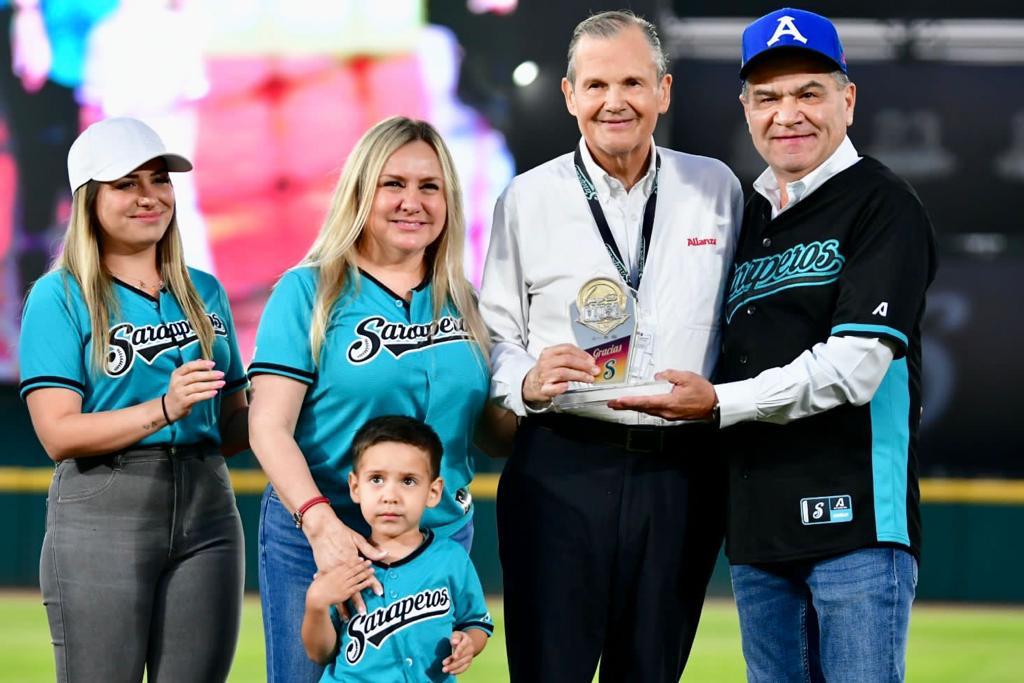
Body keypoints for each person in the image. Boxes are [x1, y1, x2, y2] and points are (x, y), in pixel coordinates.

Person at [611, 8, 937, 683]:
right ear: (747, 110)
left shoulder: (882, 204)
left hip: (854, 525)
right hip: (759, 533)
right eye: (768, 97)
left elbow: (854, 369)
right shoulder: (749, 214)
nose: (788, 114)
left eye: (808, 93)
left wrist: (717, 403)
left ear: (848, 100)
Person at [479, 10, 743, 682]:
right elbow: (496, 335)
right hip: (561, 464)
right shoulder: (526, 198)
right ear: (570, 95)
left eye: (632, 82)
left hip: (681, 474)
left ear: (664, 90)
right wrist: (526, 381)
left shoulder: (717, 188)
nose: (614, 101)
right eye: (596, 85)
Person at [248, 116, 493, 682]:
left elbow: (487, 431)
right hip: (324, 532)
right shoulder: (310, 290)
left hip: (436, 538)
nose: (413, 202)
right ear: (361, 191)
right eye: (393, 184)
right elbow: (267, 426)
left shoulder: (465, 300)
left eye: (429, 187)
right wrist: (321, 526)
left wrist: (537, 390)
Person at [18, 116, 248, 682]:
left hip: (209, 503)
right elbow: (57, 434)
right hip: (104, 502)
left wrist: (291, 395)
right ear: (89, 200)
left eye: (159, 180)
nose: (150, 197)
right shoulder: (59, 295)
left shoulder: (205, 290)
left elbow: (232, 427)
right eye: (126, 184)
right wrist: (164, 409)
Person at [302, 415, 492, 681]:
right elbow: (319, 653)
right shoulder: (344, 561)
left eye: (408, 481)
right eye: (376, 479)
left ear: (433, 492)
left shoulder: (451, 558)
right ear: (355, 487)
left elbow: (476, 622)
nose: (390, 496)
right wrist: (316, 603)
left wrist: (469, 643)